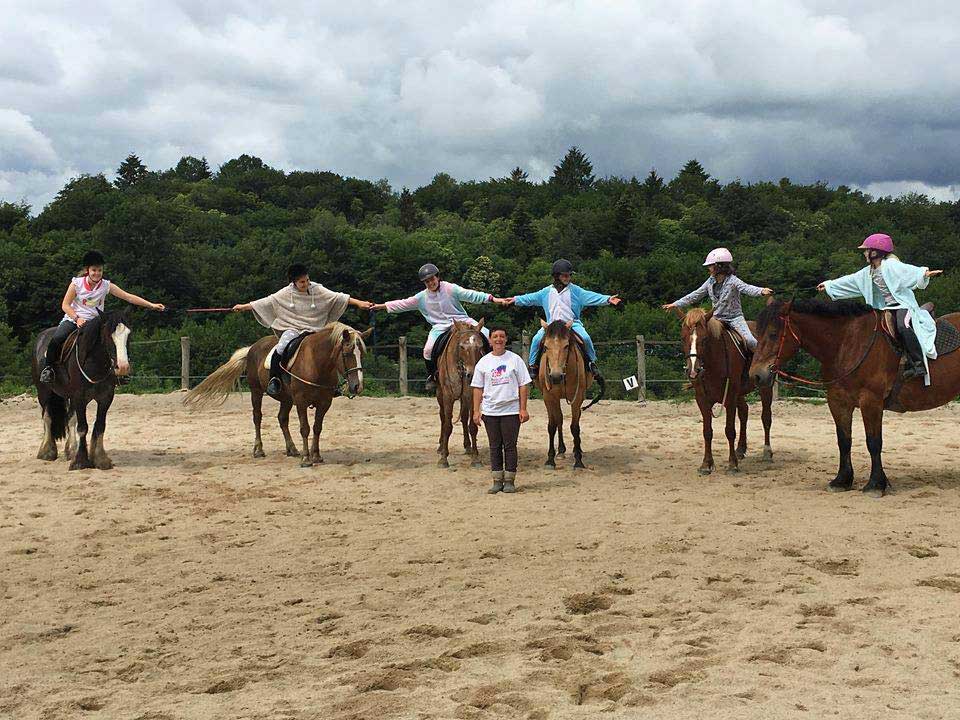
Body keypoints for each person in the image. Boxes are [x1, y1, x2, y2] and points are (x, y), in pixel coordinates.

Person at [232, 263, 374, 398]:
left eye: (307, 280)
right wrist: (244, 306)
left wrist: (360, 303)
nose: (306, 284)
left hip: (315, 329)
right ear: (294, 282)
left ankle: (332, 385)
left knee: (330, 351)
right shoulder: (285, 293)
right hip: (293, 329)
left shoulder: (317, 289)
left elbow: (339, 297)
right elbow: (266, 302)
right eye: (302, 282)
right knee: (280, 348)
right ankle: (275, 380)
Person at [817, 233, 942, 382]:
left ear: (875, 252)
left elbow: (907, 271)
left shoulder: (891, 265)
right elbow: (850, 280)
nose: (864, 253)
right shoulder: (867, 272)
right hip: (885, 309)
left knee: (903, 326)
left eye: (866, 250)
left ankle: (917, 363)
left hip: (903, 306)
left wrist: (924, 273)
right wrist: (829, 285)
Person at [371, 263, 511, 392]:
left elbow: (471, 295)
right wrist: (380, 306)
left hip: (462, 321)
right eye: (427, 281)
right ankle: (433, 376)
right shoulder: (421, 298)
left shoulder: (450, 288)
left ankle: (492, 371)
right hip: (440, 327)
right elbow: (402, 304)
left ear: (437, 277)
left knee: (488, 337)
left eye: (432, 279)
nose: (430, 283)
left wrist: (494, 299)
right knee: (427, 350)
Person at [40, 250, 165, 384]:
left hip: (97, 322)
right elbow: (65, 305)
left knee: (113, 342)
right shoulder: (76, 284)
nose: (97, 273)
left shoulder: (106, 286)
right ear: (88, 270)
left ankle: (119, 373)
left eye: (100, 270)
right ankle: (48, 369)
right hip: (75, 320)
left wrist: (151, 305)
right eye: (94, 270)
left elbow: (128, 297)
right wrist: (77, 318)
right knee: (57, 338)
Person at [511, 259, 621, 380]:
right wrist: (515, 300)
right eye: (564, 275)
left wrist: (607, 299)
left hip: (571, 324)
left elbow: (590, 296)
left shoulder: (576, 291)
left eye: (569, 275)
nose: (567, 277)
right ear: (556, 276)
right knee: (537, 339)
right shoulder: (546, 292)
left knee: (585, 337)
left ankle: (592, 363)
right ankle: (533, 366)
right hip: (552, 326)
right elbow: (529, 298)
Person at [662, 247, 773, 350]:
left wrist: (761, 291)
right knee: (699, 337)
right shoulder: (710, 281)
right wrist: (676, 304)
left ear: (719, 266)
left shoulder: (733, 281)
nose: (708, 269)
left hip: (734, 318)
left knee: (750, 341)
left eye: (710, 266)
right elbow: (696, 294)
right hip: (715, 319)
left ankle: (760, 365)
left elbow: (747, 288)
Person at [470, 326, 531, 494]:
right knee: (494, 446)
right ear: (489, 340)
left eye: (502, 336)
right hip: (490, 411)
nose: (498, 339)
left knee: (510, 446)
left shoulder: (515, 360)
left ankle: (510, 479)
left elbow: (523, 385)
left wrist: (523, 408)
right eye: (495, 336)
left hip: (511, 409)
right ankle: (497, 479)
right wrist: (476, 410)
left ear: (506, 339)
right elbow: (477, 388)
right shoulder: (484, 362)